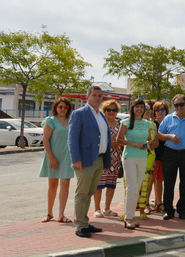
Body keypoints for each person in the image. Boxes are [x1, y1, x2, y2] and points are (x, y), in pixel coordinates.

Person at [67, 85, 111, 238]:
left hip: (98, 160)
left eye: (100, 96)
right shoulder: (79, 114)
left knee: (90, 192)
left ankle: (85, 222)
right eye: (94, 95)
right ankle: (80, 225)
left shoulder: (101, 115)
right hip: (85, 161)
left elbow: (105, 138)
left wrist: (105, 162)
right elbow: (72, 139)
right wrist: (76, 159)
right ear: (87, 97)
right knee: (82, 193)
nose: (97, 98)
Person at [156, 94, 185, 220]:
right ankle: (168, 210)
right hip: (170, 153)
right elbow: (159, 135)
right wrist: (170, 136)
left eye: (181, 104)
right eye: (176, 105)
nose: (179, 107)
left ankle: (182, 210)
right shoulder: (168, 118)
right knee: (169, 183)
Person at [116, 98, 155, 229]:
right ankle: (128, 217)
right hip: (129, 157)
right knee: (131, 187)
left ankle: (132, 216)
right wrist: (133, 143)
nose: (139, 109)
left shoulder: (147, 123)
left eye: (141, 107)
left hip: (142, 157)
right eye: (137, 107)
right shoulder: (126, 122)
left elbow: (150, 139)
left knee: (137, 187)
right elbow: (119, 140)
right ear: (132, 108)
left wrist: (146, 145)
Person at [39, 97, 74, 224]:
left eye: (66, 107)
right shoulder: (51, 121)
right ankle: (49, 213)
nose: (63, 109)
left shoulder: (71, 121)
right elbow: (45, 140)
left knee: (65, 184)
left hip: (67, 157)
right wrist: (51, 158)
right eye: (60, 107)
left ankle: (61, 214)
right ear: (56, 107)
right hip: (53, 157)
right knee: (53, 185)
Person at [92, 100, 123, 218]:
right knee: (99, 184)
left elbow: (124, 138)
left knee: (111, 184)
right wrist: (110, 144)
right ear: (104, 110)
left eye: (114, 110)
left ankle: (107, 208)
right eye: (108, 110)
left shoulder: (120, 124)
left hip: (116, 158)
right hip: (103, 157)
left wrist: (120, 144)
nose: (111, 112)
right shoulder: (101, 123)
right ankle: (97, 208)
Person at [137, 101, 156, 218]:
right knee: (134, 183)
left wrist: (149, 143)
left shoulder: (152, 125)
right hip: (134, 155)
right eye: (146, 110)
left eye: (150, 110)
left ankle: (144, 207)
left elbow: (156, 143)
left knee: (146, 184)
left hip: (149, 155)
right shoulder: (132, 123)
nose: (148, 112)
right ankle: (134, 205)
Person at [150, 100, 169, 212]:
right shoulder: (152, 125)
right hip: (153, 156)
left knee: (160, 181)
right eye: (157, 110)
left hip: (165, 156)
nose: (160, 112)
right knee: (151, 181)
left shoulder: (168, 124)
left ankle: (158, 203)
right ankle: (146, 204)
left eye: (162, 109)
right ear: (154, 112)